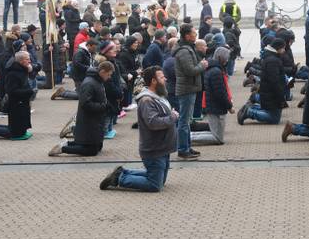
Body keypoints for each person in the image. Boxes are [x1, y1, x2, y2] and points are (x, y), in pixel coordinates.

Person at [100, 66, 177, 192]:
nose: (165, 79)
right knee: (154, 185)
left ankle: (123, 172)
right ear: (153, 81)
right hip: (154, 149)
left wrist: (170, 114)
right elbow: (153, 123)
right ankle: (119, 179)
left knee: (159, 180)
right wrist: (172, 117)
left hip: (163, 147)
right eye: (162, 77)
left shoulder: (159, 96)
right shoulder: (147, 100)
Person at [49, 61, 113, 157]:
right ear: (102, 72)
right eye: (108, 74)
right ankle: (62, 149)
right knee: (91, 151)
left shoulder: (97, 81)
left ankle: (67, 143)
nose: (109, 77)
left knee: (97, 147)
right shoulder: (90, 83)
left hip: (95, 120)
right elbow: (85, 104)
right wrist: (103, 106)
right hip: (89, 121)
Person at [0, 51, 38, 140]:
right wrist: (28, 92)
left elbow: (36, 68)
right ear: (21, 61)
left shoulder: (23, 69)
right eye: (27, 59)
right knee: (15, 133)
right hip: (16, 104)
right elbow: (11, 91)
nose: (29, 61)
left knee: (21, 130)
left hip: (22, 103)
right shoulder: (13, 73)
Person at [174, 23, 209, 159]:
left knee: (186, 120)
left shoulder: (188, 48)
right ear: (187, 36)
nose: (196, 35)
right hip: (186, 89)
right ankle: (183, 149)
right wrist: (202, 65)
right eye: (194, 33)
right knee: (184, 121)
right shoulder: (184, 51)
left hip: (190, 88)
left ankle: (187, 147)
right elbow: (190, 70)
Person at [239, 38, 286, 125]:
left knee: (272, 113)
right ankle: (249, 112)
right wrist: (280, 96)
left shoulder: (272, 58)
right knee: (274, 119)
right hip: (271, 94)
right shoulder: (273, 61)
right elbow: (274, 81)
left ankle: (251, 108)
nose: (284, 50)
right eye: (283, 48)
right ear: (278, 48)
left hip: (268, 93)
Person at [192, 48, 233, 145]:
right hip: (216, 108)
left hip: (213, 106)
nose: (227, 60)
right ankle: (187, 138)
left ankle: (187, 137)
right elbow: (220, 93)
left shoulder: (212, 69)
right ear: (220, 58)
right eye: (226, 58)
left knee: (216, 136)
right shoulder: (216, 72)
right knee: (217, 138)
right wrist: (229, 106)